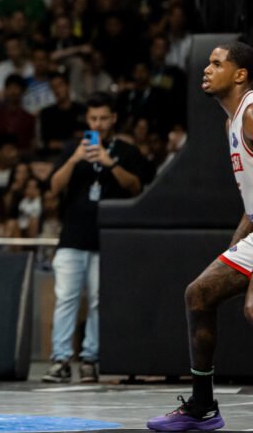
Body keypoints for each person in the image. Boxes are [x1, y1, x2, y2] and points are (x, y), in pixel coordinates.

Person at [148, 42, 253, 431]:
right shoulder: (232, 124)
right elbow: (252, 205)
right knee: (200, 293)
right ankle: (203, 407)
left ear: (240, 74)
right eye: (206, 63)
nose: (206, 69)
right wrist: (234, 250)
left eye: (216, 63)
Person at [44, 92, 148, 385]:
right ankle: (60, 359)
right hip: (72, 236)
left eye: (103, 118)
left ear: (113, 118)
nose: (99, 123)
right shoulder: (71, 149)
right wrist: (76, 159)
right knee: (66, 298)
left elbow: (136, 187)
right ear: (86, 120)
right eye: (93, 119)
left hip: (108, 239)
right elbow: (53, 187)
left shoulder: (126, 151)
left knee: (99, 301)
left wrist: (108, 161)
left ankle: (90, 359)